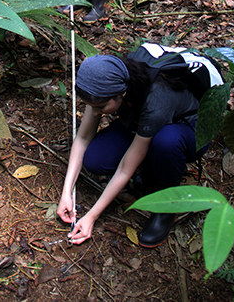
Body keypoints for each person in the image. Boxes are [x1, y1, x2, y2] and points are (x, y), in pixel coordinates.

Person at [57, 42, 223, 247]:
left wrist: (91, 216)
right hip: (140, 117)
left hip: (189, 126)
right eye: (92, 106)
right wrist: (66, 193)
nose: (96, 111)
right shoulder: (104, 84)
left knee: (166, 142)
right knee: (95, 159)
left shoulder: (157, 101)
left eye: (100, 107)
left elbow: (125, 168)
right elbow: (82, 138)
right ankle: (151, 163)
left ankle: (167, 204)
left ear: (122, 93)